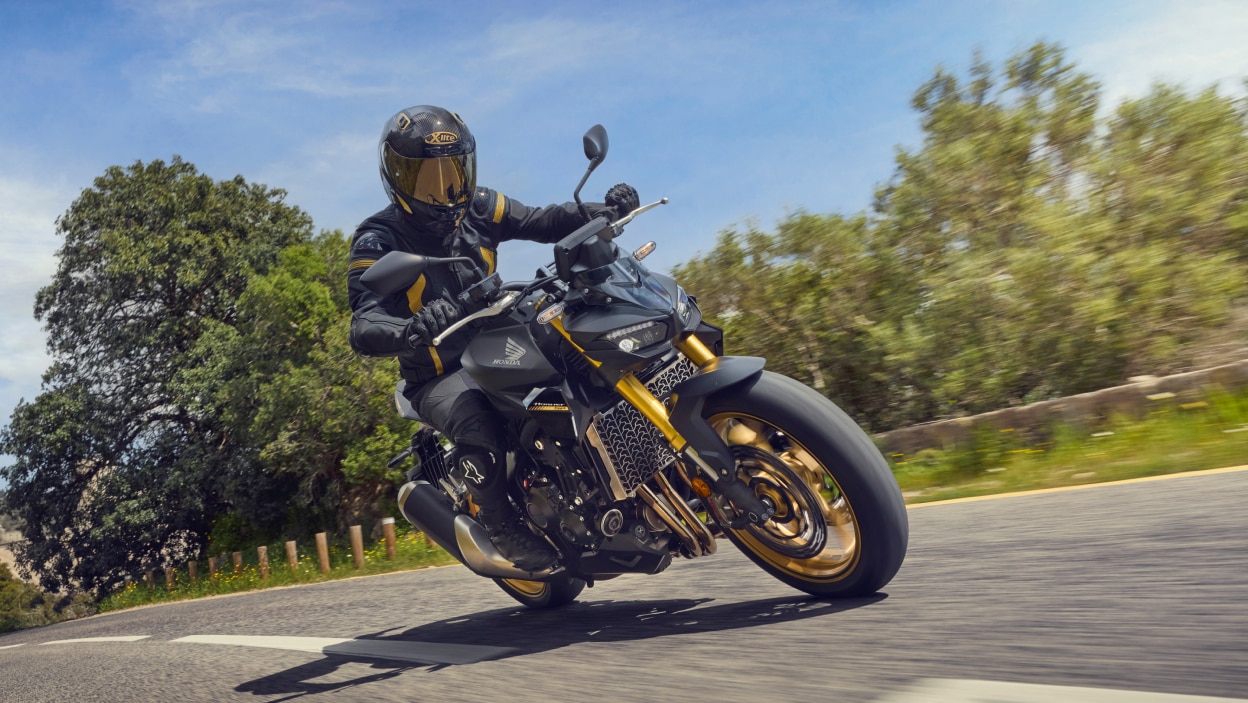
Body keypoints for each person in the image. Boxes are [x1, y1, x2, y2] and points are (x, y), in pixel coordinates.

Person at [347, 105, 639, 571]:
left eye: (452, 172)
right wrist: (412, 329)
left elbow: (543, 221)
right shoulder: (378, 238)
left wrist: (602, 211)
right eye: (426, 178)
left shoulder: (480, 205)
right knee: (477, 420)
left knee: (581, 357)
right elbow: (364, 323)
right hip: (441, 372)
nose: (444, 189)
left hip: (501, 342)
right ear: (397, 178)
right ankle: (500, 525)